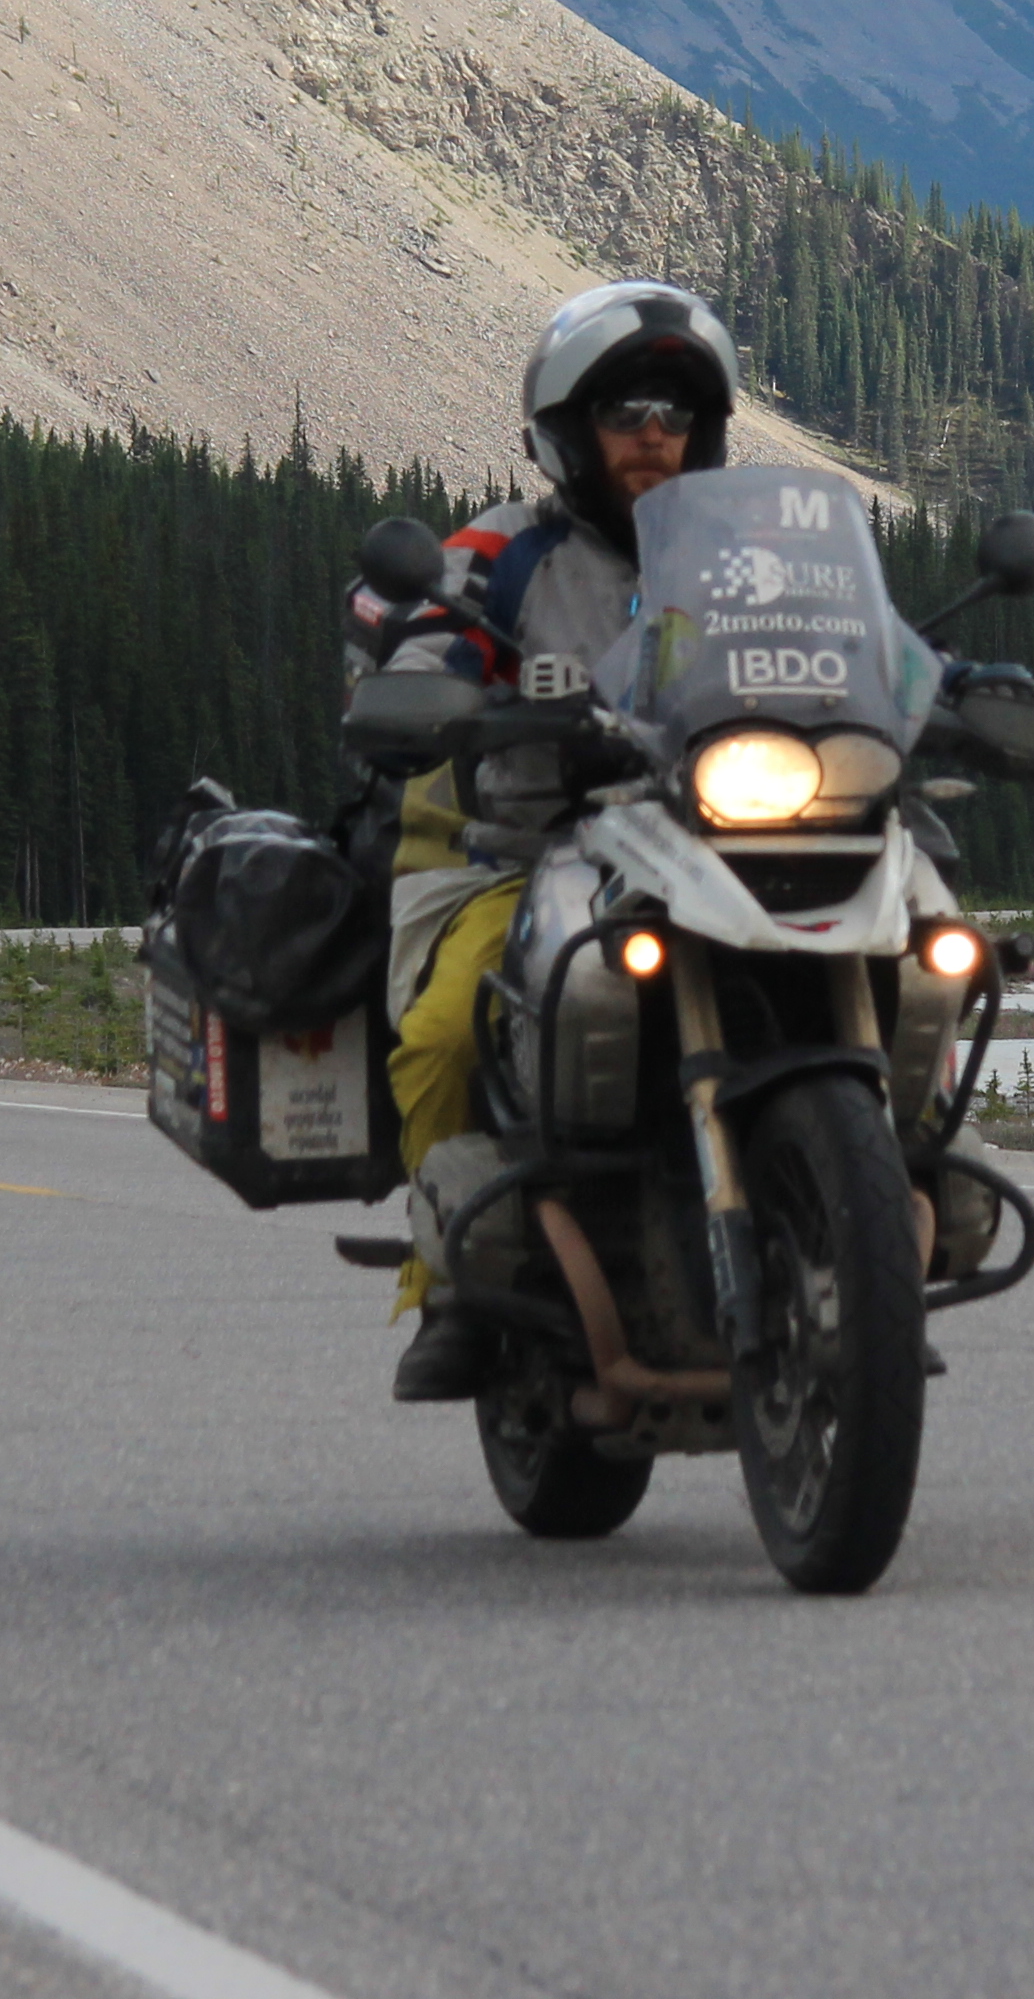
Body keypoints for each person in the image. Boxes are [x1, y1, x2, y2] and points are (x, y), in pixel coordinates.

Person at [367, 279, 743, 1401]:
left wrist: (945, 681)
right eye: (626, 412)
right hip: (523, 852)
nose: (651, 437)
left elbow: (847, 650)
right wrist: (425, 689)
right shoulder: (502, 549)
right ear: (573, 428)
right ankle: (447, 1286)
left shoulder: (737, 556)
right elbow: (419, 639)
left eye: (674, 416)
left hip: (716, 854)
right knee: (442, 1036)